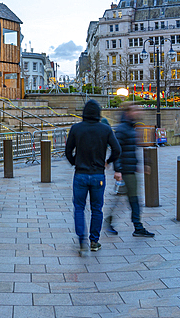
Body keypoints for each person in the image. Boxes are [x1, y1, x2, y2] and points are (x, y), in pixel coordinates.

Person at [65, 99, 121, 254]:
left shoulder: (76, 128)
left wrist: (75, 162)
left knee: (79, 208)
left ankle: (81, 239)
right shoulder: (105, 129)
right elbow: (117, 150)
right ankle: (94, 241)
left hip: (80, 174)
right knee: (97, 208)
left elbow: (68, 151)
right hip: (98, 175)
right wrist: (107, 161)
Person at [106, 103, 155, 238]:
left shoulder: (130, 127)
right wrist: (118, 170)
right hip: (125, 171)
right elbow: (117, 150)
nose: (139, 111)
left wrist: (141, 165)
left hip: (130, 169)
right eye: (135, 110)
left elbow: (131, 151)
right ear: (128, 112)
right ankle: (137, 227)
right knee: (133, 200)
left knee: (123, 199)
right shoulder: (123, 129)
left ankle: (110, 221)